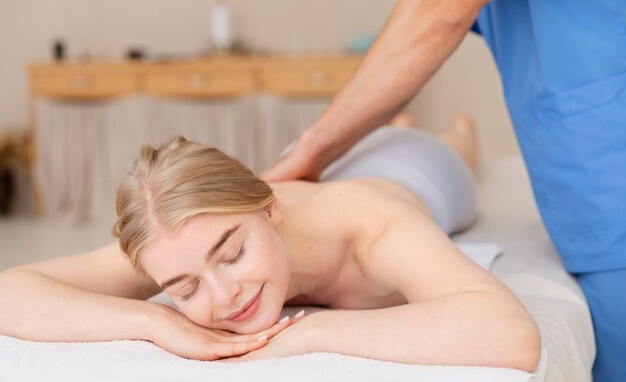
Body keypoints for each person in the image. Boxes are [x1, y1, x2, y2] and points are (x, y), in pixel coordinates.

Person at [260, 0, 626, 380]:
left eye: (233, 252)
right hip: (589, 152)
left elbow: (443, 3)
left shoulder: (373, 222)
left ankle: (451, 133)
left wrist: (312, 149)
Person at [0, 117, 541, 370]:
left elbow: (512, 334)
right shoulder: (176, 240)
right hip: (297, 172)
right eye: (184, 290)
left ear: (270, 208)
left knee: (452, 149)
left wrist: (313, 332)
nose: (226, 295)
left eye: (232, 254)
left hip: (414, 168)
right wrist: (152, 320)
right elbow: (10, 291)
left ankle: (453, 130)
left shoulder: (376, 229)